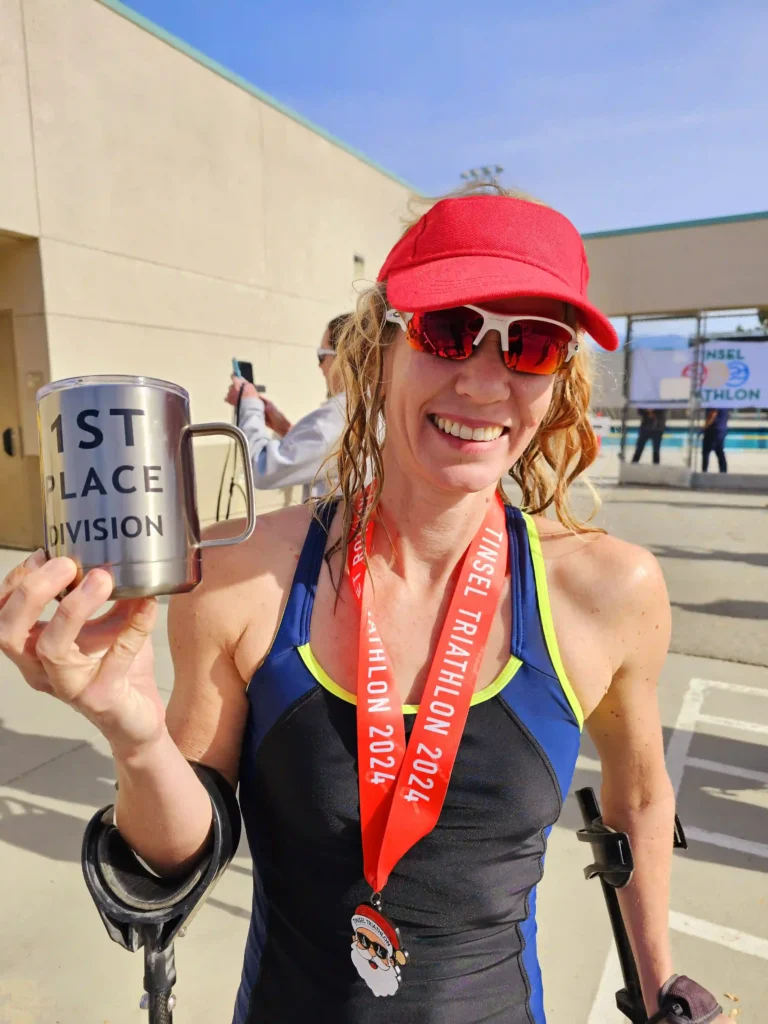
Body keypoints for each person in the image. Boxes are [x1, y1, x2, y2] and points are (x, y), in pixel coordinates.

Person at [0, 187, 728, 1024]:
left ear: (558, 382)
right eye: (450, 331)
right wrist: (132, 731)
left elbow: (637, 799)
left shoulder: (609, 591)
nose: (486, 382)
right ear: (379, 351)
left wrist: (660, 986)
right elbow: (172, 859)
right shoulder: (245, 572)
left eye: (530, 345)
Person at [225, 314, 348, 500]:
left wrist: (248, 402)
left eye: (321, 355)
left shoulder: (338, 416)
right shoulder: (374, 405)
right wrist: (285, 429)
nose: (319, 366)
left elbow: (262, 469)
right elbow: (328, 451)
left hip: (334, 527)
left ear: (343, 357)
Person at [702, 408, 729, 473]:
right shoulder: (725, 404)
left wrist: (704, 426)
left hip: (713, 429)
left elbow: (713, 414)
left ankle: (704, 471)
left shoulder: (714, 403)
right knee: (719, 451)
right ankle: (723, 471)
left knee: (706, 451)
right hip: (721, 429)